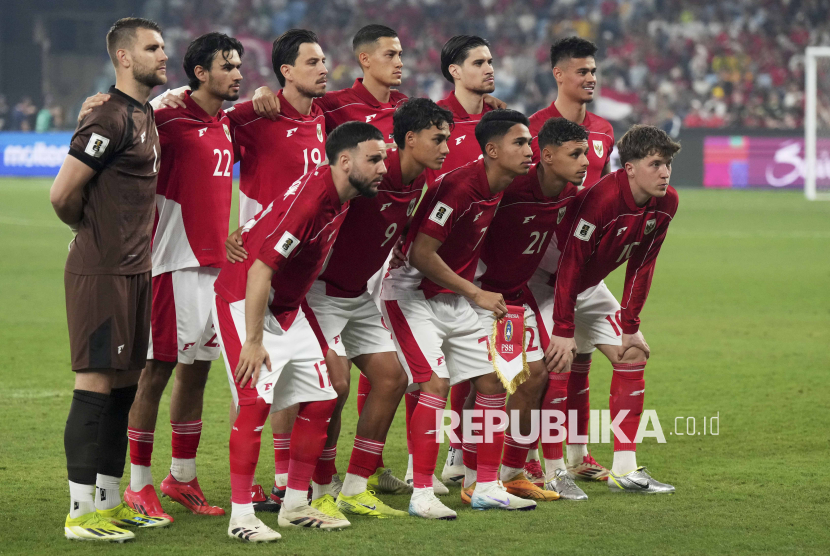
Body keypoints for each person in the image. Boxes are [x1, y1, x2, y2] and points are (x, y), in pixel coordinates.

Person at [215, 122, 388, 541]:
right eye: (375, 159)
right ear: (345, 161)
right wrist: (253, 342)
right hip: (246, 298)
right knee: (255, 401)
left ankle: (294, 505)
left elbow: (273, 217)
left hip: (288, 306)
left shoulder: (340, 192)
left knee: (324, 395)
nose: (384, 167)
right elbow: (260, 270)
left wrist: (250, 231)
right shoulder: (314, 202)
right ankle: (241, 517)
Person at [295, 98, 453, 519]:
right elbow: (314, 194)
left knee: (392, 378)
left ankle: (354, 486)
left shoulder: (421, 182)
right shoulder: (370, 174)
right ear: (410, 139)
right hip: (320, 294)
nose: (445, 148)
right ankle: (318, 487)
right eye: (437, 139)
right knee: (335, 388)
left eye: (448, 139)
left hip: (358, 297)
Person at [380, 109, 536, 519]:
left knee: (492, 382)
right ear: (492, 150)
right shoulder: (462, 187)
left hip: (451, 296)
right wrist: (476, 292)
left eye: (529, 142)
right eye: (519, 142)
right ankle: (421, 492)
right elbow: (420, 254)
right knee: (435, 383)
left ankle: (485, 485)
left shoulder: (497, 183)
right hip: (411, 292)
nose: (528, 150)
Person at [50, 17, 171, 542]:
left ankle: (108, 500)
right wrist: (89, 229)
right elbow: (62, 194)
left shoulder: (144, 114)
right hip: (101, 271)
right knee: (96, 384)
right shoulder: (109, 118)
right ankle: (81, 514)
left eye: (164, 45)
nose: (163, 54)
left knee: (124, 387)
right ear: (124, 57)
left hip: (135, 270)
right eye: (152, 47)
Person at [118, 32, 244, 521]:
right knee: (156, 373)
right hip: (171, 265)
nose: (237, 73)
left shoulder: (227, 124)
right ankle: (138, 485)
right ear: (200, 73)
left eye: (238, 66)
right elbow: (116, 127)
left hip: (214, 270)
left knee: (198, 373)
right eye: (228, 66)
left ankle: (181, 478)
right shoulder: (165, 118)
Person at [545, 124, 680, 494]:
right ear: (630, 167)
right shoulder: (601, 199)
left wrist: (630, 323)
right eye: (656, 163)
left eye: (668, 163)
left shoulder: (666, 202)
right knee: (561, 361)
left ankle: (624, 469)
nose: (665, 172)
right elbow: (569, 263)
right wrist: (563, 326)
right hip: (550, 287)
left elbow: (643, 265)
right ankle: (554, 470)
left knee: (632, 353)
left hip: (589, 288)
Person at [469, 117, 589, 503]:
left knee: (533, 378)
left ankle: (511, 471)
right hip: (480, 294)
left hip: (514, 296)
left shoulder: (569, 194)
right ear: (548, 155)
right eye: (577, 153)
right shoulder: (511, 187)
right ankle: (471, 475)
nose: (586, 161)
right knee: (483, 383)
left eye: (585, 151)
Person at [524, 36, 617, 485]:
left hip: (583, 266)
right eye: (582, 71)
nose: (591, 79)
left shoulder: (603, 129)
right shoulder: (534, 127)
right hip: (541, 267)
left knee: (584, 359)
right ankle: (534, 459)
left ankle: (578, 456)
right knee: (540, 367)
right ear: (559, 74)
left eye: (594, 71)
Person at [431, 34, 497, 488]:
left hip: (482, 265)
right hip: (426, 265)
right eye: (479, 62)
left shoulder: (497, 120)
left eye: (491, 60)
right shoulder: (435, 122)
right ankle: (377, 469)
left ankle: (460, 454)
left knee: (477, 371)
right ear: (455, 70)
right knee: (402, 375)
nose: (489, 68)